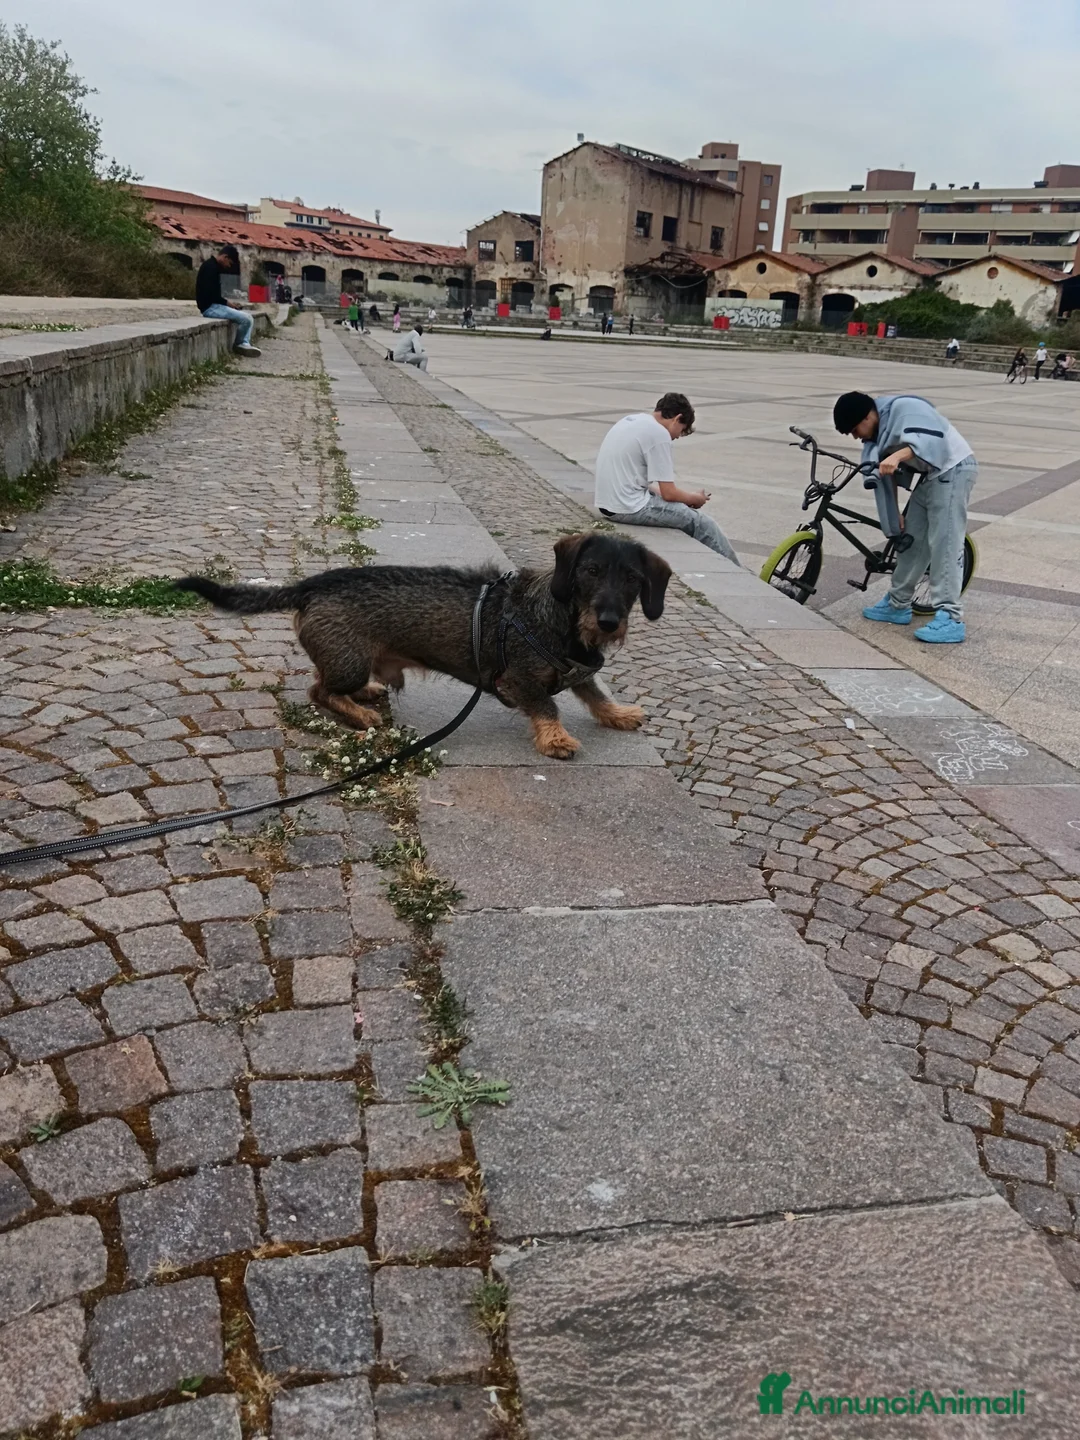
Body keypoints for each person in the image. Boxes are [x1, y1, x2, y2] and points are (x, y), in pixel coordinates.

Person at [833, 390, 976, 644]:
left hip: (955, 468)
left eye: (855, 429)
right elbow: (887, 475)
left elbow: (932, 439)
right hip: (932, 475)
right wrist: (896, 512)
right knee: (912, 540)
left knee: (944, 542)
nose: (856, 437)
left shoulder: (906, 409)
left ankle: (950, 618)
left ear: (867, 416)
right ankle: (898, 605)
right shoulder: (879, 434)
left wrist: (897, 455)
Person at [594, 392, 739, 562]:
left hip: (607, 503)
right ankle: (739, 571)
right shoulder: (659, 434)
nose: (677, 436)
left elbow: (640, 483)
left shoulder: (633, 420)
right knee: (702, 523)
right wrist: (695, 498)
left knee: (677, 506)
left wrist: (683, 497)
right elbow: (669, 493)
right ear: (677, 419)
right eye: (682, 431)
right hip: (627, 508)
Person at [195, 245, 261, 355]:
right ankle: (241, 343)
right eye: (229, 263)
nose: (228, 266)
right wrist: (227, 303)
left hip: (212, 306)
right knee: (247, 319)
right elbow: (212, 295)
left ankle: (245, 343)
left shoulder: (211, 266)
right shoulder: (211, 268)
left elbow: (214, 295)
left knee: (247, 317)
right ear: (225, 257)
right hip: (209, 308)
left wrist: (229, 304)